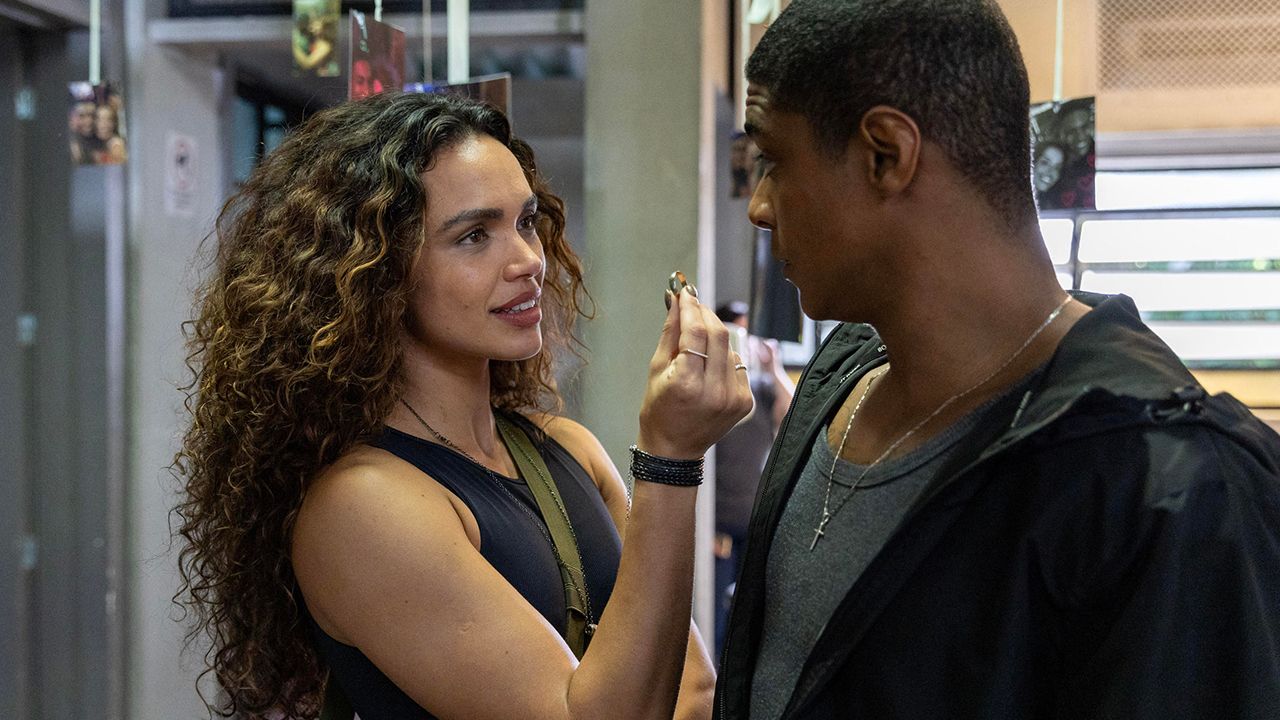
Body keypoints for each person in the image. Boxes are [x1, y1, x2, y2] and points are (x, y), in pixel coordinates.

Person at [716, 1, 1280, 719]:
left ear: (886, 154)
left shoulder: (1169, 482)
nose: (759, 207)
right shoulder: (840, 377)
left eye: (774, 161)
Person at [174, 92, 753, 720]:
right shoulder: (362, 506)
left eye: (526, 222)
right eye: (475, 236)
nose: (529, 260)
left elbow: (694, 693)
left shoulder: (565, 447)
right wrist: (669, 458)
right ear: (378, 273)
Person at [711, 301, 793, 660]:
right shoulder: (712, 391)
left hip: (754, 521)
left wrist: (774, 366)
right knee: (715, 616)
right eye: (734, 334)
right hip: (718, 525)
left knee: (750, 612)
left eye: (745, 334)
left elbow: (793, 415)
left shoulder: (761, 388)